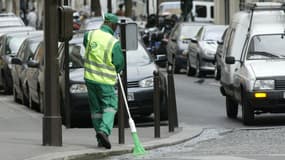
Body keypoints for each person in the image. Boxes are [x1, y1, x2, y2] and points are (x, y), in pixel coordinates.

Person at [83, 13, 124, 149]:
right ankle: (104, 131)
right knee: (110, 107)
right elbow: (118, 64)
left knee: (96, 110)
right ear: (112, 24)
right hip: (105, 81)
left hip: (89, 79)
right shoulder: (113, 42)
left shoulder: (89, 35)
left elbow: (86, 46)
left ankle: (100, 139)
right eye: (116, 26)